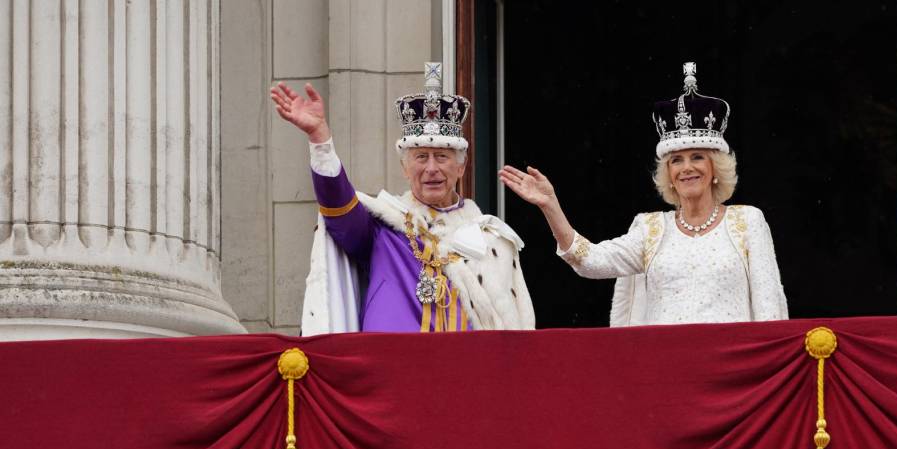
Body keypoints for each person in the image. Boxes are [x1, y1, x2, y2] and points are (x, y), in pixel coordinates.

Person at [500, 62, 787, 326]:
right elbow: (590, 261)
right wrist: (551, 205)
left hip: (732, 370)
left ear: (715, 168)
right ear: (670, 176)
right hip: (666, 369)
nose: (687, 168)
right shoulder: (650, 229)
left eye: (697, 157)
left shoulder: (748, 222)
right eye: (676, 160)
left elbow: (769, 309)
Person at [271, 62, 534, 334]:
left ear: (461, 167)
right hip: (390, 369)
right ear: (405, 169)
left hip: (467, 372)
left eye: (441, 157)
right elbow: (339, 210)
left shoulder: (492, 241)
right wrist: (320, 140)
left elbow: (514, 335)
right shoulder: (383, 227)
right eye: (421, 157)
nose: (431, 168)